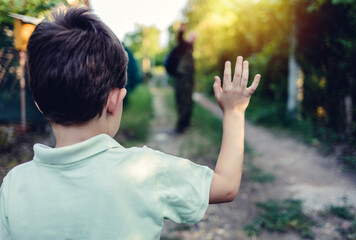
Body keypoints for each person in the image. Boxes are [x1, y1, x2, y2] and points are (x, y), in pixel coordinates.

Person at [0, 7, 261, 240]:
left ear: (38, 104)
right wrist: (234, 113)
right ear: (115, 100)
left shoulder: (13, 186)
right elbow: (226, 186)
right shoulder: (147, 171)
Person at [171, 24, 196, 133]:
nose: (193, 39)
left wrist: (193, 81)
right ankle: (180, 126)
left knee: (188, 101)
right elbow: (180, 39)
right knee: (182, 102)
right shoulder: (183, 46)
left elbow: (191, 68)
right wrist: (181, 31)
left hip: (188, 81)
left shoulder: (190, 48)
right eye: (192, 37)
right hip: (181, 80)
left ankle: (186, 123)